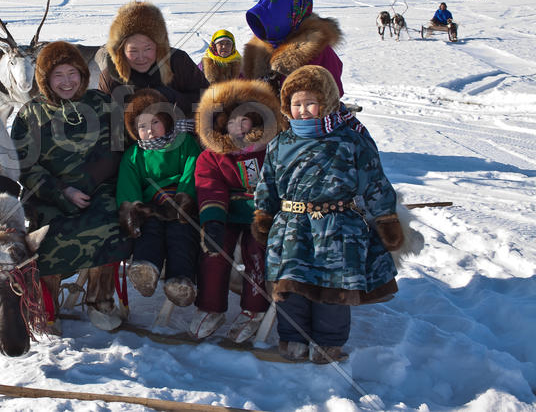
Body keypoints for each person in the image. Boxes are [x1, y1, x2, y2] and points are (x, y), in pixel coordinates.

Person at [252, 65, 404, 363]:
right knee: (290, 284)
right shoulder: (280, 143)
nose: (303, 110)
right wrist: (262, 214)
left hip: (338, 227)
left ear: (327, 101)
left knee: (332, 287)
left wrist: (386, 219)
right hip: (291, 226)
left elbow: (374, 181)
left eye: (310, 102)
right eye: (296, 104)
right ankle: (292, 338)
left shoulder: (350, 140)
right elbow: (267, 182)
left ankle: (328, 343)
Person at [11, 41, 132, 333]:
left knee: (110, 223)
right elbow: (25, 166)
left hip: (100, 187)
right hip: (50, 194)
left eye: (72, 73)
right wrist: (62, 191)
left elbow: (120, 147)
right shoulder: (31, 114)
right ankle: (46, 305)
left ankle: (99, 299)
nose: (66, 81)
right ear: (45, 80)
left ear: (82, 73)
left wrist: (93, 183)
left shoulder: (100, 104)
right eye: (58, 75)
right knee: (47, 237)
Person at [189, 79, 286, 341]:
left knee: (256, 253)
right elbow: (210, 186)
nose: (237, 126)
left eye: (243, 119)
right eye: (229, 121)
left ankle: (253, 310)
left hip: (263, 213)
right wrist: (213, 221)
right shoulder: (212, 156)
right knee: (213, 251)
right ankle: (210, 307)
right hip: (228, 213)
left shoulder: (273, 150)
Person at [116, 89, 201, 307]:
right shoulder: (135, 155)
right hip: (150, 208)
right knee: (149, 234)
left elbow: (191, 171)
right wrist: (132, 211)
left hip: (179, 205)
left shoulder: (184, 143)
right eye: (142, 126)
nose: (149, 131)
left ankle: (180, 280)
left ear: (166, 121)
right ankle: (145, 268)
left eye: (155, 122)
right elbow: (128, 185)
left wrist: (183, 201)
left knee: (181, 235)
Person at [98, 0, 209, 119]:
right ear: (121, 51)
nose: (141, 57)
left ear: (159, 46)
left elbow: (210, 100)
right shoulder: (110, 75)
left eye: (148, 48)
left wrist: (175, 100)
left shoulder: (178, 62)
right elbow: (104, 115)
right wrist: (132, 109)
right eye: (133, 51)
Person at [242, 0, 344, 97]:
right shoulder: (258, 47)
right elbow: (243, 84)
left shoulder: (318, 51)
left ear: (293, 16)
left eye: (273, 19)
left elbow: (333, 95)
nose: (265, 25)